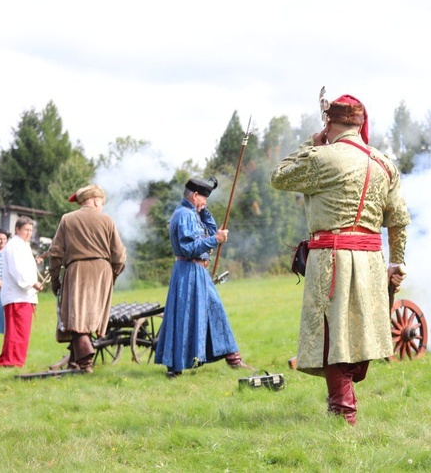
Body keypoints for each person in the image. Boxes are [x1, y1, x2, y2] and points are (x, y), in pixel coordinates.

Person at [270, 93, 411, 425]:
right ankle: (344, 401)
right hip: (373, 261)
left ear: (329, 123)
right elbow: (399, 220)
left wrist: (311, 143)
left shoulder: (322, 157)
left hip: (331, 260)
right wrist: (397, 262)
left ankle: (342, 413)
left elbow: (279, 176)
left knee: (331, 336)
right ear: (361, 124)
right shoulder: (384, 163)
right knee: (360, 335)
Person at [154, 177, 251, 378]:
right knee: (184, 317)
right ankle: (175, 367)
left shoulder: (192, 213)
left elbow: (210, 228)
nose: (205, 202)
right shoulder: (185, 215)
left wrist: (204, 212)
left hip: (196, 272)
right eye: (203, 198)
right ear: (195, 195)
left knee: (215, 311)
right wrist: (215, 239)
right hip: (189, 270)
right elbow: (189, 249)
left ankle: (233, 359)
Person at [48, 184, 126, 373]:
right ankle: (75, 362)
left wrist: (55, 279)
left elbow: (55, 253)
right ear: (96, 200)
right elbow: (120, 256)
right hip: (103, 271)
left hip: (77, 271)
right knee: (90, 315)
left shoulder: (67, 219)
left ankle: (85, 362)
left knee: (75, 315)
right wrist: (112, 275)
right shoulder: (107, 220)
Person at [0, 217, 43, 367]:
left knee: (18, 330)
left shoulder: (22, 245)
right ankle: (12, 361)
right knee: (17, 331)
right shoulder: (15, 245)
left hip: (22, 295)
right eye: (26, 230)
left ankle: (9, 359)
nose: (29, 233)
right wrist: (32, 283)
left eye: (30, 230)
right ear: (17, 229)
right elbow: (16, 271)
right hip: (17, 295)